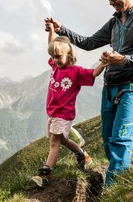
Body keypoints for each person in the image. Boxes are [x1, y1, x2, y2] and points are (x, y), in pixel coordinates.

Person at [44, 0, 133, 185]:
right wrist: (61, 30)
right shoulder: (114, 22)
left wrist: (123, 59)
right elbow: (89, 43)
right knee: (108, 139)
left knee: (120, 139)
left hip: (132, 84)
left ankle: (113, 189)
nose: (111, 2)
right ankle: (121, 176)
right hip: (110, 85)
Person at [31, 23, 106, 187]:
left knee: (54, 143)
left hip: (63, 114)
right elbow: (52, 46)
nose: (55, 60)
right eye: (53, 57)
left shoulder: (76, 72)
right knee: (62, 140)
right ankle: (83, 155)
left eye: (58, 57)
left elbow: (92, 73)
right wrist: (51, 30)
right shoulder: (55, 65)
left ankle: (45, 174)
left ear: (69, 54)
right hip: (52, 113)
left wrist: (103, 63)